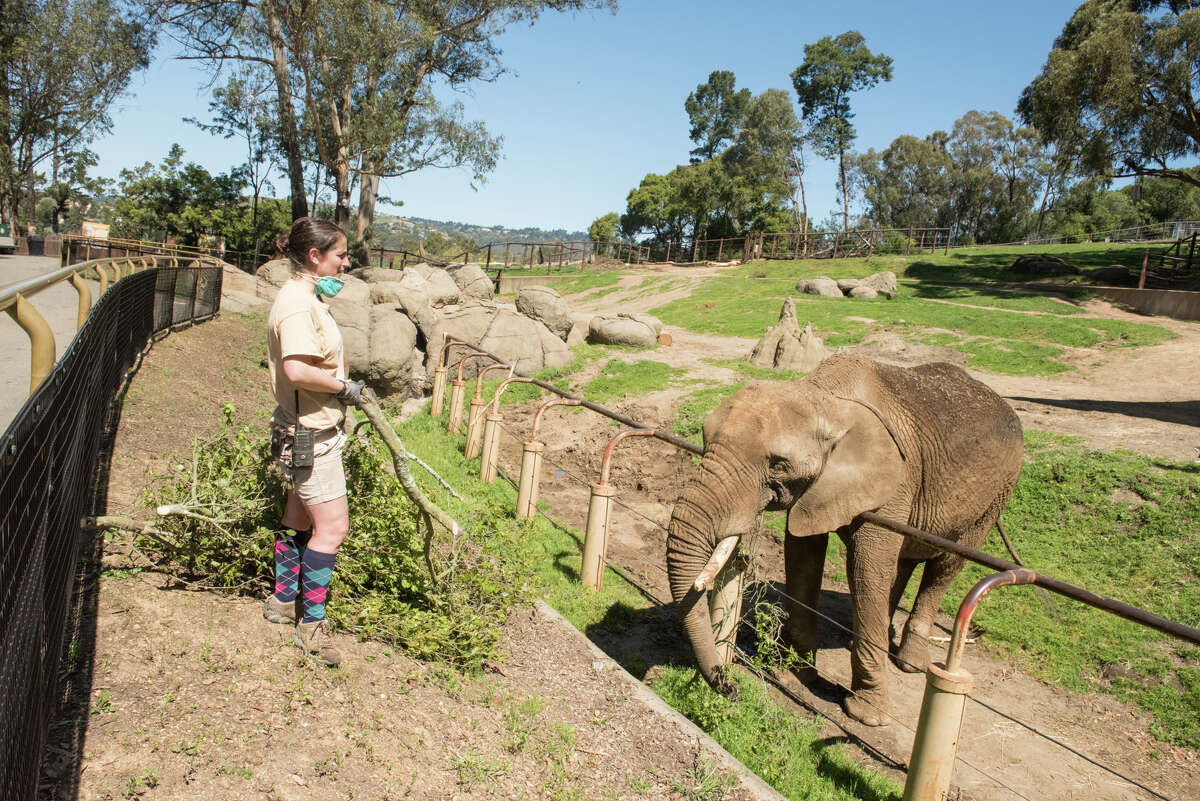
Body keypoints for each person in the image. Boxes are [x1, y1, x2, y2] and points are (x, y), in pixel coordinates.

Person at [263, 217, 364, 666]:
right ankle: (312, 628)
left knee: (297, 518)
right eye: (340, 254)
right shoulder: (298, 306)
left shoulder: (304, 298)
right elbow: (297, 369)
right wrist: (344, 389)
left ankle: (283, 601)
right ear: (314, 256)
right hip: (310, 435)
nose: (346, 263)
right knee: (333, 529)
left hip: (298, 429)